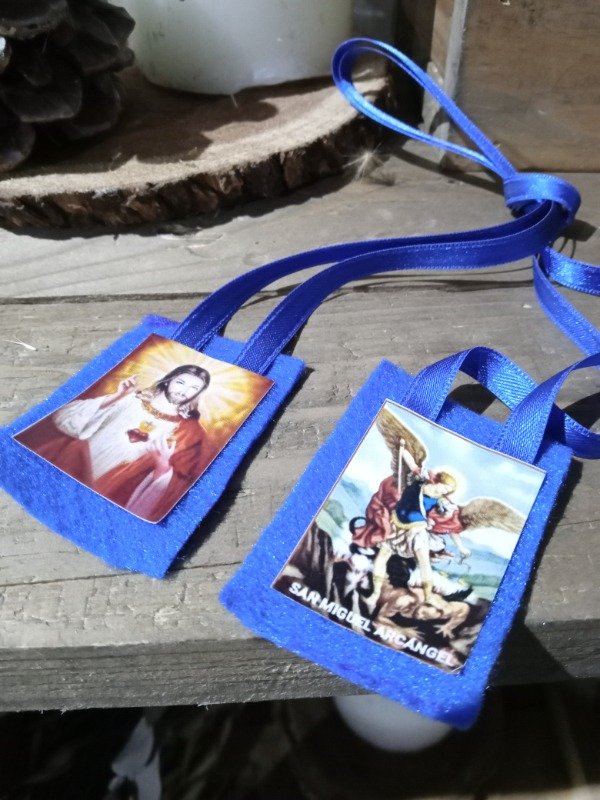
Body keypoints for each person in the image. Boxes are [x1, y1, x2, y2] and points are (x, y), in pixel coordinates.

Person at [16, 365, 211, 521]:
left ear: (198, 394)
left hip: (114, 483)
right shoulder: (132, 399)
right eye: (181, 383)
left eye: (194, 389)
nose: (184, 391)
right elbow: (66, 421)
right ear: (169, 380)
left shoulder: (189, 432)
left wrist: (163, 466)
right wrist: (117, 397)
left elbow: (182, 483)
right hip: (79, 459)